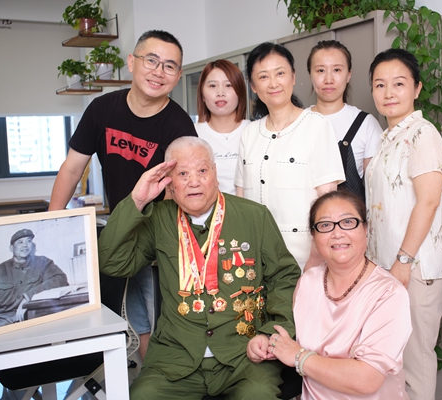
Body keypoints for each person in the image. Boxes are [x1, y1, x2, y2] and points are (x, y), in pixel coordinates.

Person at [98, 136, 300, 399]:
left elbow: (284, 278)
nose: (194, 181)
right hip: (176, 357)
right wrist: (136, 201)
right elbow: (112, 263)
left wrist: (269, 334)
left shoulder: (254, 216)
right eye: (183, 173)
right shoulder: (159, 218)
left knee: (257, 395)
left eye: (202, 171)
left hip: (244, 353)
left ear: (215, 174)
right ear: (169, 181)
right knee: (142, 395)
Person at [49, 30, 197, 359]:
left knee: (159, 317)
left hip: (160, 237)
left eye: (170, 66)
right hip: (120, 230)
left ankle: (156, 376)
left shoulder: (179, 125)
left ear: (178, 76)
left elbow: (180, 190)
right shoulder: (102, 109)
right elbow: (72, 168)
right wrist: (53, 224)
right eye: (151, 60)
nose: (159, 72)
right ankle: (141, 376)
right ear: (132, 62)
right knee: (130, 318)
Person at [262, 190, 411, 399]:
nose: (337, 233)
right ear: (313, 236)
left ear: (365, 229)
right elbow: (289, 343)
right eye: (325, 225)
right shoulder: (308, 281)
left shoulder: (389, 293)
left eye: (348, 222)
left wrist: (298, 357)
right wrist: (266, 344)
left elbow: (367, 379)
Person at [365, 48, 442, 400]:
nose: (389, 93)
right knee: (391, 359)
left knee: (416, 361)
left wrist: (403, 260)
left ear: (416, 88)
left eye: (399, 84)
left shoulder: (422, 134)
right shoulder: (387, 138)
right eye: (380, 84)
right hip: (387, 267)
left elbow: (428, 201)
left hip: (414, 267)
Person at [235, 42, 345, 270]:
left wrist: (315, 259)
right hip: (256, 259)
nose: (273, 83)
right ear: (253, 86)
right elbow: (241, 200)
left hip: (304, 259)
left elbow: (328, 201)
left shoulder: (317, 126)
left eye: (280, 73)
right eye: (263, 77)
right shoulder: (249, 133)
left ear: (293, 77)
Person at [306, 40, 382, 202]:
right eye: (320, 70)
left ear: (348, 75)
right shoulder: (297, 122)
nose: (328, 79)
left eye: (337, 70)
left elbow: (376, 189)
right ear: (310, 75)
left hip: (350, 217)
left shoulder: (365, 124)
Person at [0, 229, 69, 330]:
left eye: (29, 241)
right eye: (20, 242)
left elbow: (61, 280)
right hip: (3, 326)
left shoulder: (43, 262)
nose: (25, 245)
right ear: (11, 248)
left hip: (33, 322)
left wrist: (28, 297)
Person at [195, 59, 250, 195]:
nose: (220, 92)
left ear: (239, 92)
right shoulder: (192, 134)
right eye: (212, 85)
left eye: (228, 85)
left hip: (249, 207)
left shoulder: (253, 131)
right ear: (202, 95)